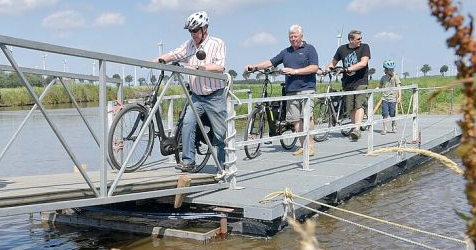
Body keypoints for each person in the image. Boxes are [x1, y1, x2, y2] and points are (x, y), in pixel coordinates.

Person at [156, 11, 228, 175]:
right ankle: (189, 162)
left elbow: (219, 67)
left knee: (220, 134)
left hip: (214, 96)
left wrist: (198, 67)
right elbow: (174, 54)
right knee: (188, 124)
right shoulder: (189, 45)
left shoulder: (217, 43)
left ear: (205, 28)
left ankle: (223, 166)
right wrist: (155, 61)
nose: (193, 34)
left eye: (195, 30)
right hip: (196, 96)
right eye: (190, 31)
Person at [244, 24, 319, 156]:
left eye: (295, 36)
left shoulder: (309, 49)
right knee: (296, 119)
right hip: (291, 91)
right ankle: (304, 146)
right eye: (291, 37)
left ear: (302, 36)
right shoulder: (286, 52)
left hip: (306, 89)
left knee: (307, 117)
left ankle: (311, 146)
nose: (293, 39)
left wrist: (294, 71)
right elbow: (271, 62)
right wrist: (254, 67)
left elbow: (314, 68)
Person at [325, 30, 371, 141]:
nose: (361, 40)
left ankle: (356, 129)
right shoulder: (342, 49)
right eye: (358, 39)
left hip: (360, 80)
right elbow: (333, 62)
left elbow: (363, 63)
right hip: (347, 82)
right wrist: (326, 70)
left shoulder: (365, 47)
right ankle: (355, 130)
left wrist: (346, 69)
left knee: (359, 104)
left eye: (361, 38)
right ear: (351, 40)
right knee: (350, 107)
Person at [378, 59, 401, 134]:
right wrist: (376, 89)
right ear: (386, 70)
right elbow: (380, 86)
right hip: (385, 98)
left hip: (393, 99)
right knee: (385, 114)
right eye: (390, 69)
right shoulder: (383, 78)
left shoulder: (395, 77)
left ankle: (394, 125)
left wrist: (399, 97)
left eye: (392, 69)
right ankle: (384, 128)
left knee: (392, 114)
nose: (392, 71)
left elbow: (399, 87)